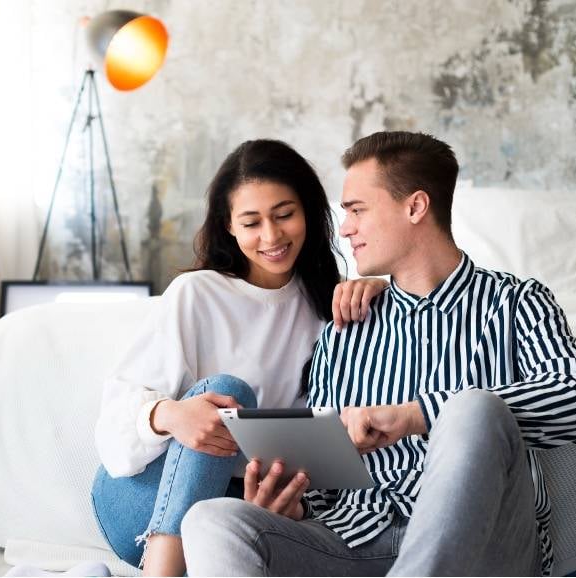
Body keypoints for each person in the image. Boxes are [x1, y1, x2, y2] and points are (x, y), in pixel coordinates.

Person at [181, 131, 576, 576]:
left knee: (474, 408)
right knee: (212, 520)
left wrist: (416, 415)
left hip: (486, 545)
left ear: (415, 207)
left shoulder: (517, 302)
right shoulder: (345, 328)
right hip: (358, 540)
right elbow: (325, 476)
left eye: (357, 210)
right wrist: (293, 503)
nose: (344, 228)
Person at [91, 139, 389, 576]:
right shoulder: (197, 293)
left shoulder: (334, 304)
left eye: (285, 215)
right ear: (229, 227)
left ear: (308, 211)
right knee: (227, 394)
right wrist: (170, 414)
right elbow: (114, 421)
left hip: (238, 504)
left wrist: (384, 289)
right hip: (143, 498)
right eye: (252, 223)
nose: (271, 237)